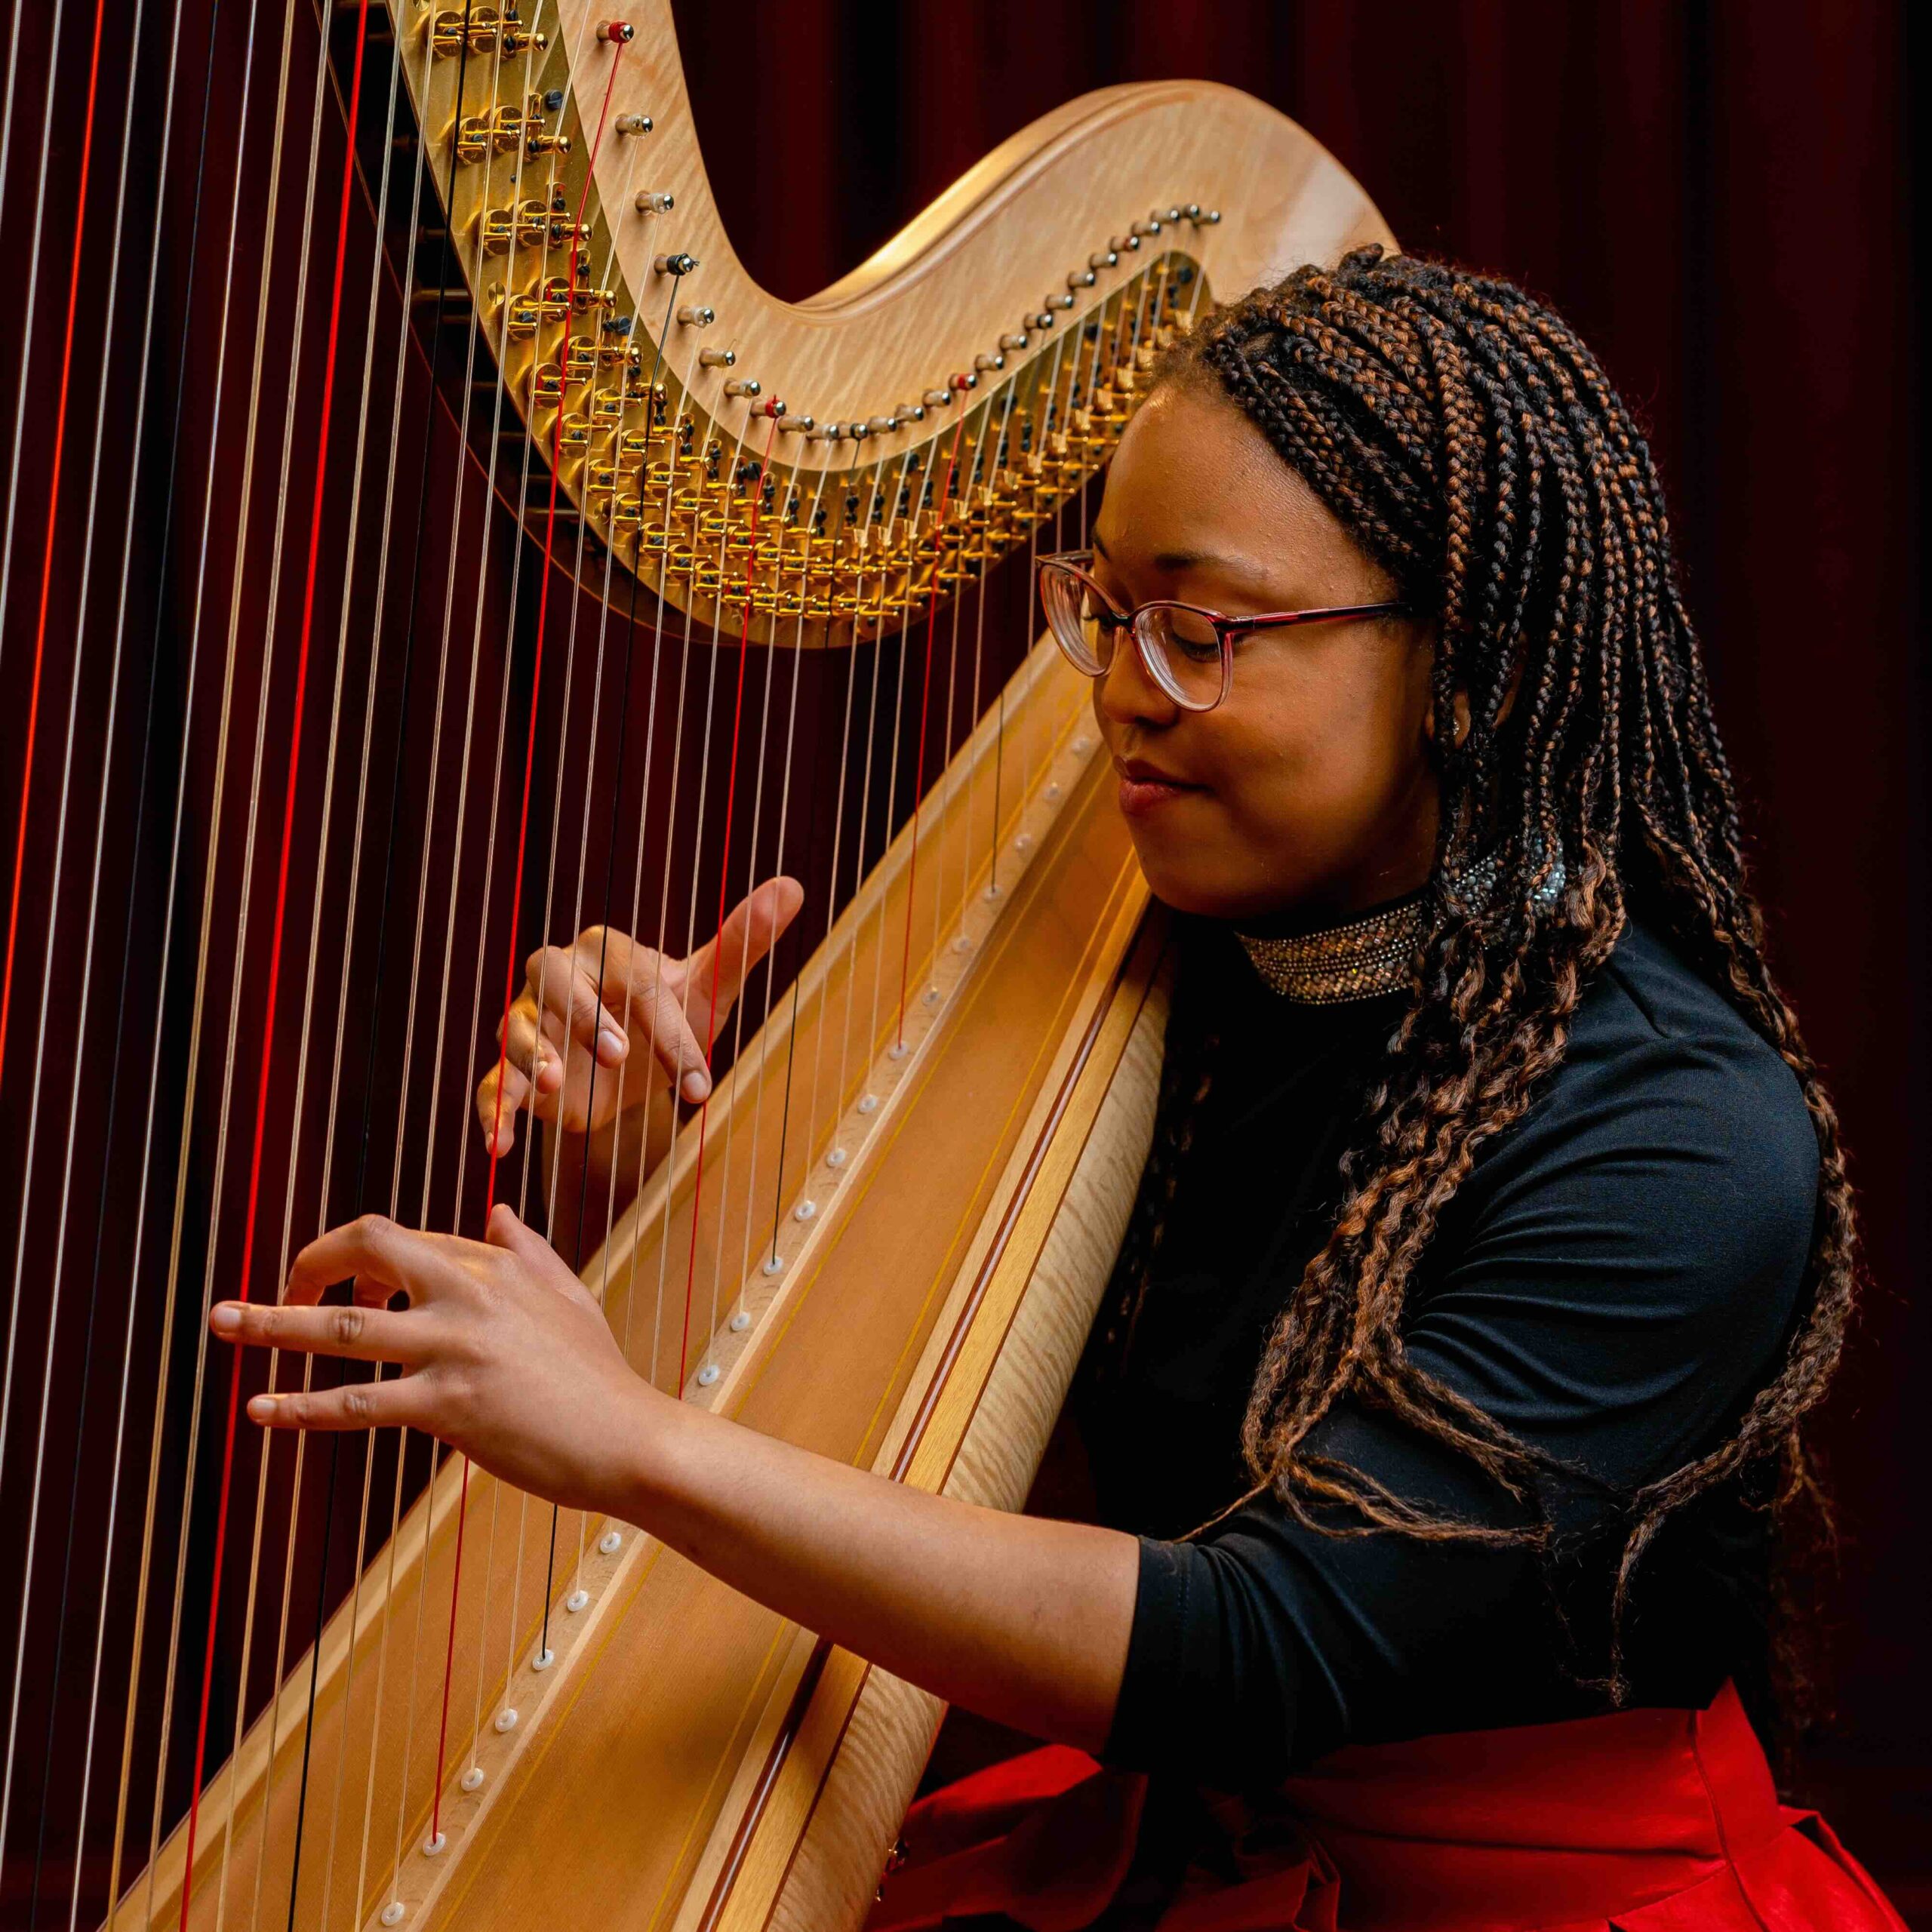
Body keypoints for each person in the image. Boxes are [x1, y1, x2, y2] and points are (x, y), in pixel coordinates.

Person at [211, 248, 1906, 1929]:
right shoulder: (1172, 966)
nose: (1110, 698)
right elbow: (928, 1435)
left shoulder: (1676, 1135)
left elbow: (1257, 1646)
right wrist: (657, 1146)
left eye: (1199, 632)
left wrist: (639, 1444)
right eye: (1097, 608)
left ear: (1470, 660)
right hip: (1205, 1856)